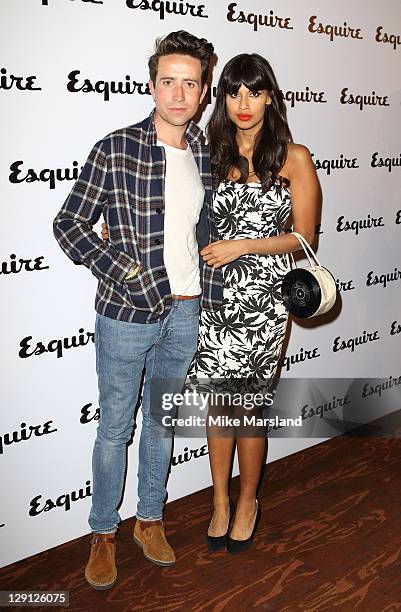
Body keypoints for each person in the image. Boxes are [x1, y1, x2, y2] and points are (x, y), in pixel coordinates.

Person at [53, 30, 222, 589]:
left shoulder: (204, 151)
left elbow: (200, 232)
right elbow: (69, 224)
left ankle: (150, 519)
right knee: (114, 427)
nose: (178, 94)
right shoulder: (116, 147)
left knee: (162, 421)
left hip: (187, 309)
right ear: (152, 85)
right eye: (167, 81)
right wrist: (126, 273)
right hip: (126, 312)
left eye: (190, 83)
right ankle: (103, 531)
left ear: (203, 91)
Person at [191, 53, 320, 554]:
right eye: (233, 92)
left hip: (265, 302)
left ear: (270, 96)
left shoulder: (294, 157)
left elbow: (305, 239)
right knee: (218, 408)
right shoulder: (211, 155)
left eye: (254, 91)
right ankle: (219, 501)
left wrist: (245, 246)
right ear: (223, 98)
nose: (244, 104)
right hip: (214, 299)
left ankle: (249, 500)